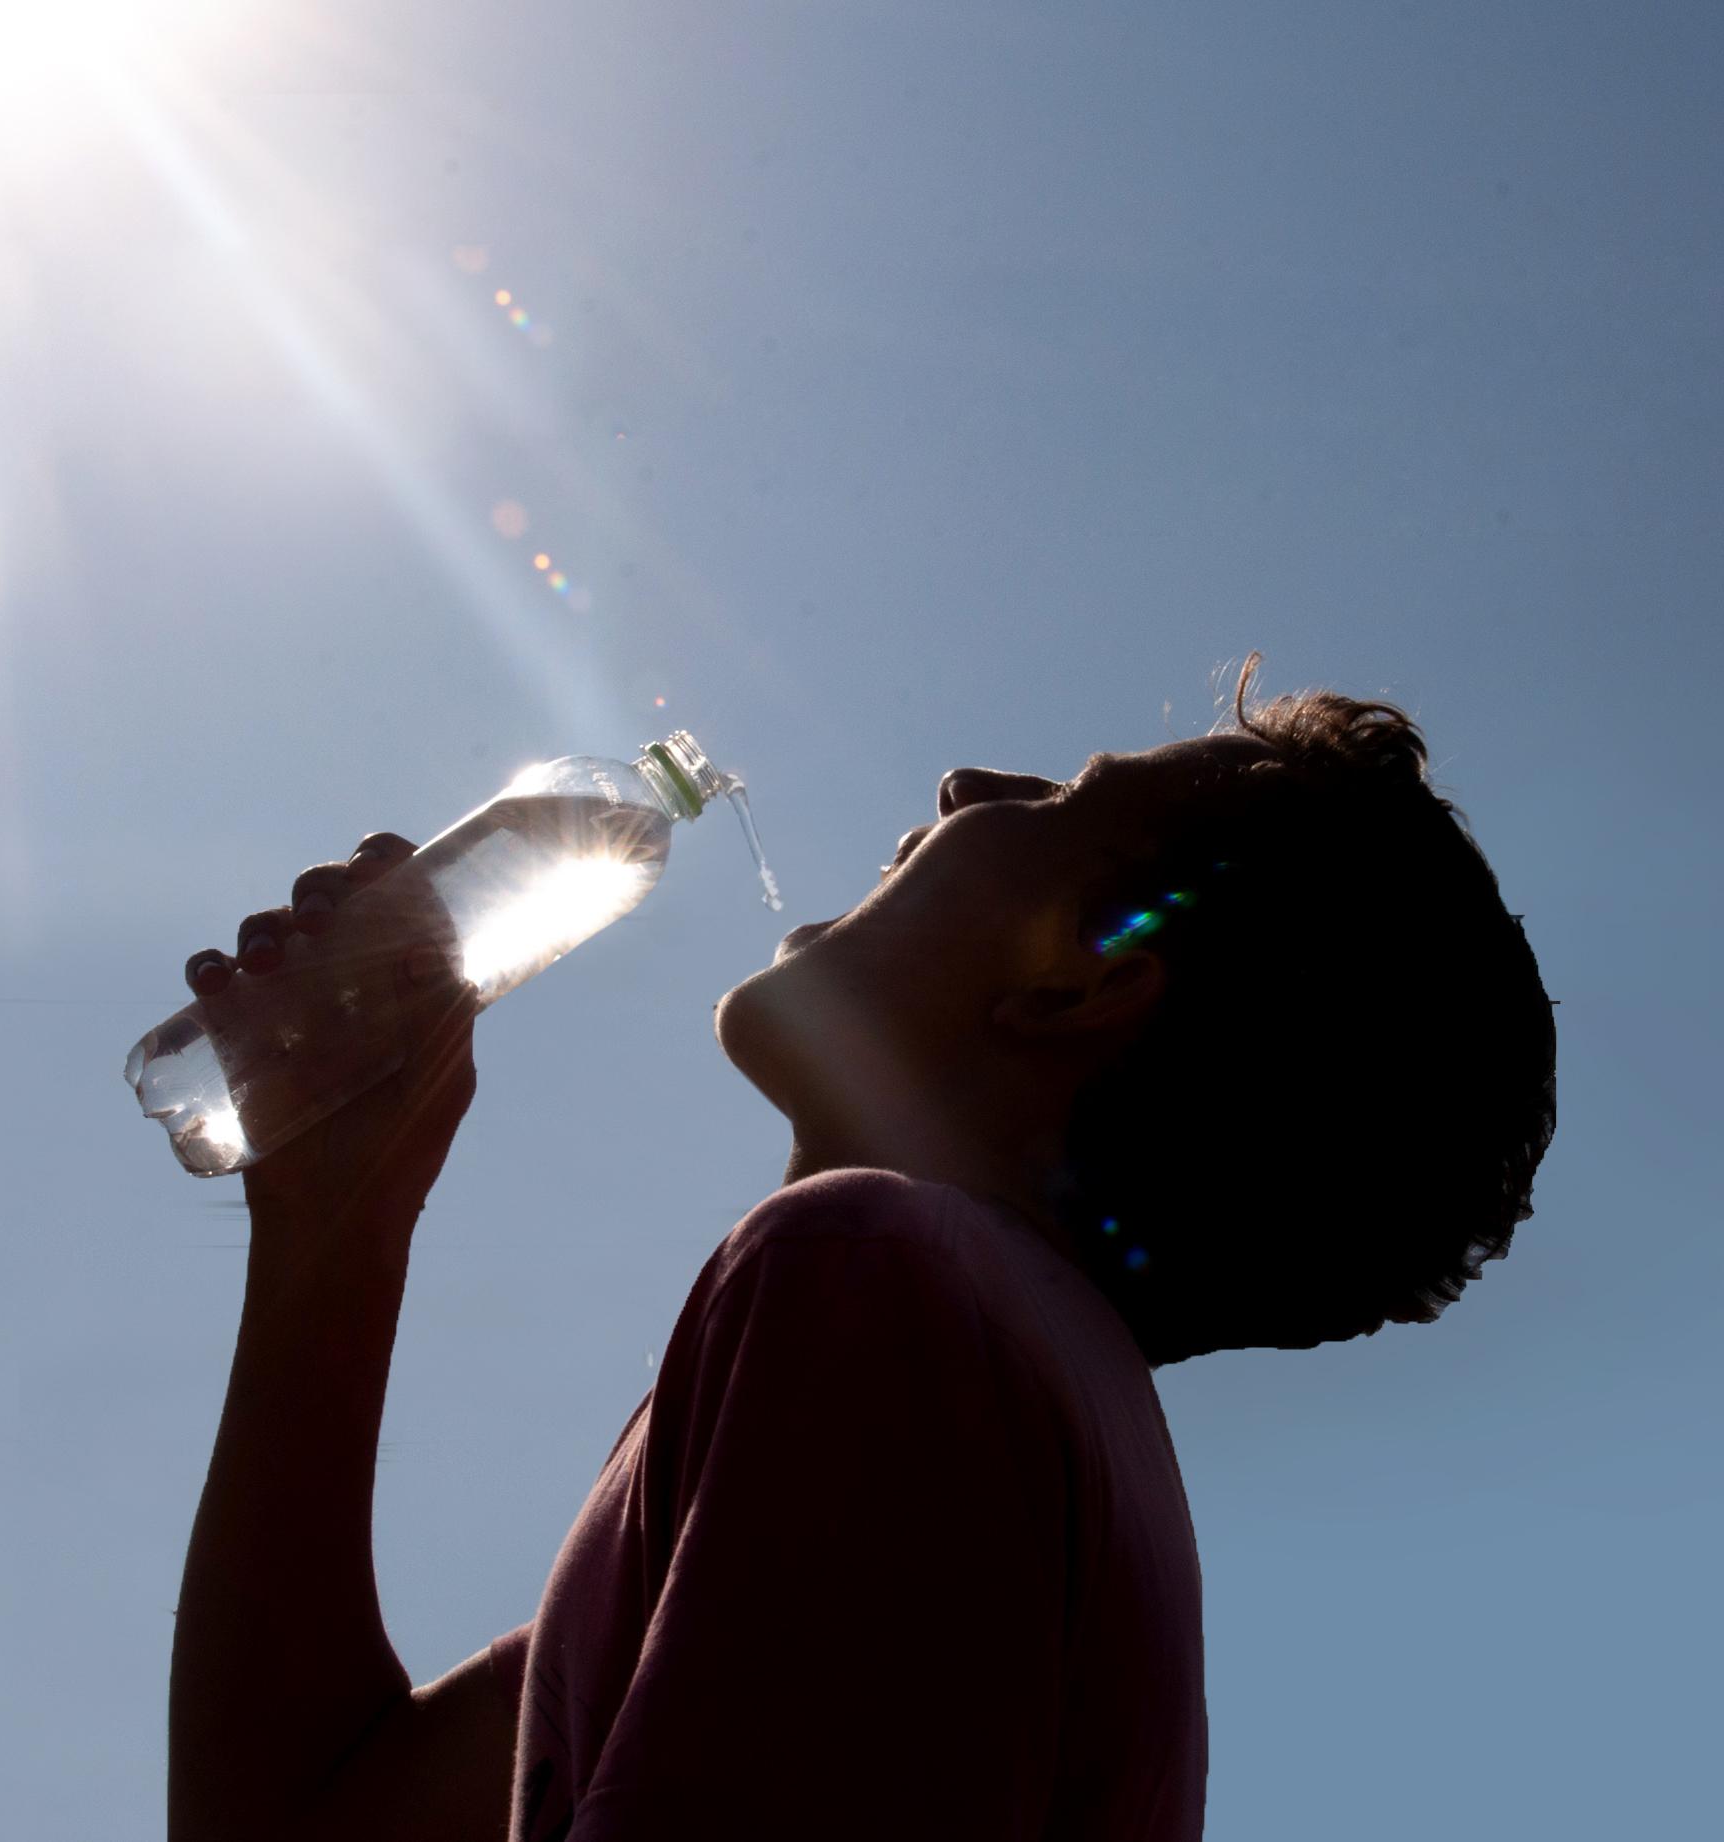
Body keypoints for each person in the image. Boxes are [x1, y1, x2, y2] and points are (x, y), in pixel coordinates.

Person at [163, 659, 1558, 1841]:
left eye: (1059, 803)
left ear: (1073, 980)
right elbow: (310, 1818)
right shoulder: (948, 1377)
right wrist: (334, 1210)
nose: (964, 785)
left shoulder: (881, 1284)